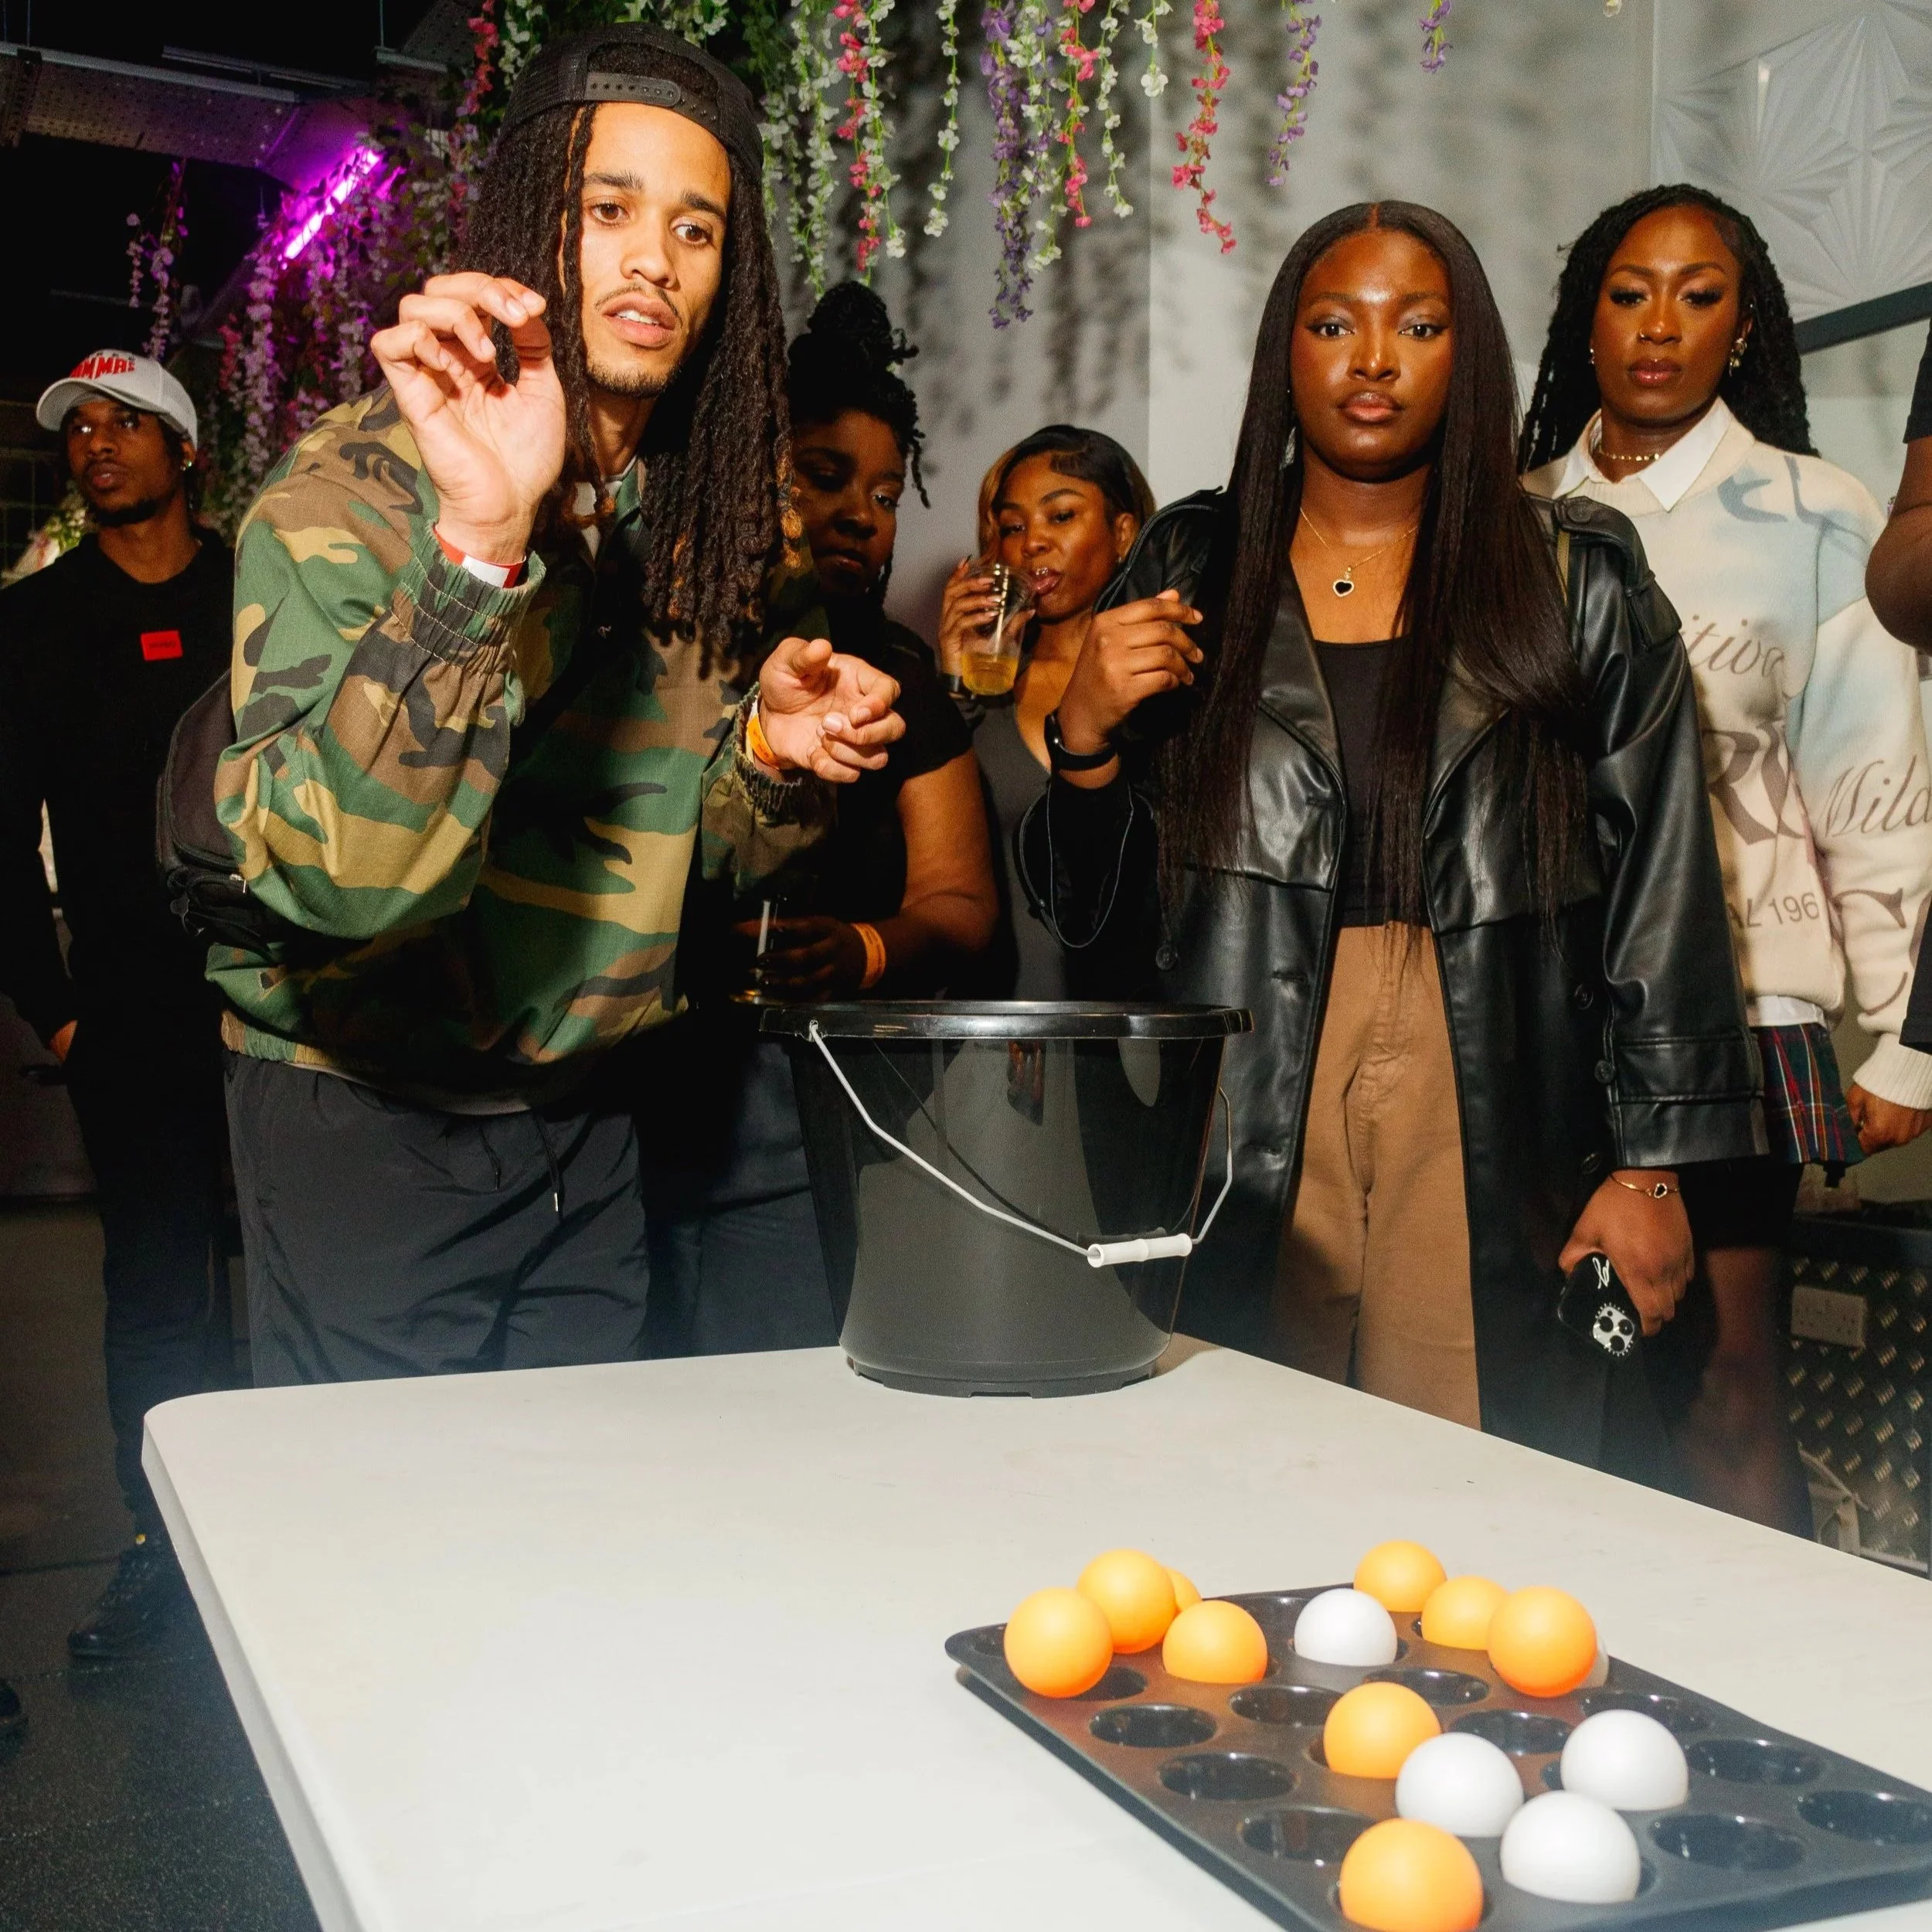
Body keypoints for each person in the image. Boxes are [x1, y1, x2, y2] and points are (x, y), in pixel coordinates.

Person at [1019, 201, 1762, 1478]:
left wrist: (1653, 1168)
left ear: (1465, 355)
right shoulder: (1192, 561)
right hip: (1246, 1059)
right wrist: (1083, 741)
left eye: (1418, 326)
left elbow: (1665, 884)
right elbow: (1099, 927)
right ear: (1285, 352)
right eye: (1332, 324)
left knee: (1473, 1467)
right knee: (1245, 1460)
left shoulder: (1573, 571)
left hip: (1488, 1067)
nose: (1373, 360)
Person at [213, 26, 903, 1386]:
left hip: (588, 1119)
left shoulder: (719, 526)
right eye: (609, 210)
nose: (654, 257)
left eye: (697, 228)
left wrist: (774, 756)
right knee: (386, 1559)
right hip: (369, 1115)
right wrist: (478, 550)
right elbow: (336, 881)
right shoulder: (353, 493)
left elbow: (698, 856)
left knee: (578, 1544)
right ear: (537, 224)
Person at [1521, 187, 1932, 1532]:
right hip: (1530, 1006)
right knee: (1551, 1385)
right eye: (1630, 292)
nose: (1659, 328)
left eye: (1699, 296)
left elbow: (1875, 777)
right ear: (1587, 317)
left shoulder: (1818, 511)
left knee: (1726, 1394)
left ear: (1742, 324)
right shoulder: (1508, 519)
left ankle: (1768, 1716)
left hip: (1735, 1011)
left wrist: (1905, 1042)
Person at [639, 283, 996, 1352]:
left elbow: (965, 904)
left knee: (770, 1403)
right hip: (624, 1089)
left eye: (886, 493)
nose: (861, 514)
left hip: (800, 1109)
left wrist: (865, 949)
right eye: (827, 476)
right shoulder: (668, 638)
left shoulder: (897, 675)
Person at [0, 351, 231, 1656]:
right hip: (130, 1015)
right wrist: (61, 1012)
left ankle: (310, 1532)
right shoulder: (30, 625)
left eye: (126, 423)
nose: (97, 444)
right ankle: (162, 1548)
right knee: (153, 1286)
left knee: (306, 1270)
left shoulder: (267, 591)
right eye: (79, 427)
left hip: (285, 1000)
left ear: (185, 450)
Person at [934, 426, 1153, 995]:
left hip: (1126, 1042)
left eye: (1060, 517)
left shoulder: (1161, 681)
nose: (1032, 542)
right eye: (1013, 527)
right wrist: (955, 687)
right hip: (981, 1040)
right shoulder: (981, 697)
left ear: (1123, 532)